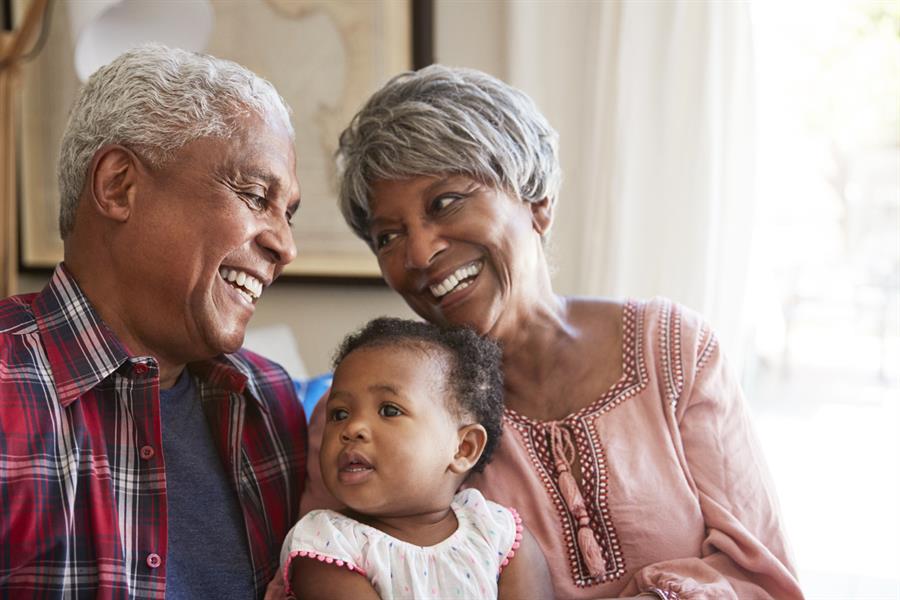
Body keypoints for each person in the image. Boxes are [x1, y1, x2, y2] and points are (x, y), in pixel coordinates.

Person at [298, 65, 805, 599]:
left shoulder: (676, 350)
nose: (419, 254)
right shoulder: (358, 416)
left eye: (445, 203)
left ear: (537, 201)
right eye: (388, 236)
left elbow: (761, 578)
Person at [0, 45, 307, 598]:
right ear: (119, 186)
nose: (285, 246)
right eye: (255, 196)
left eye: (288, 214)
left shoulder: (272, 403)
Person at [281, 317, 552, 599]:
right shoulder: (325, 543)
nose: (352, 428)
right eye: (339, 414)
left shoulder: (497, 533)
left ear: (463, 448)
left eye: (389, 410)